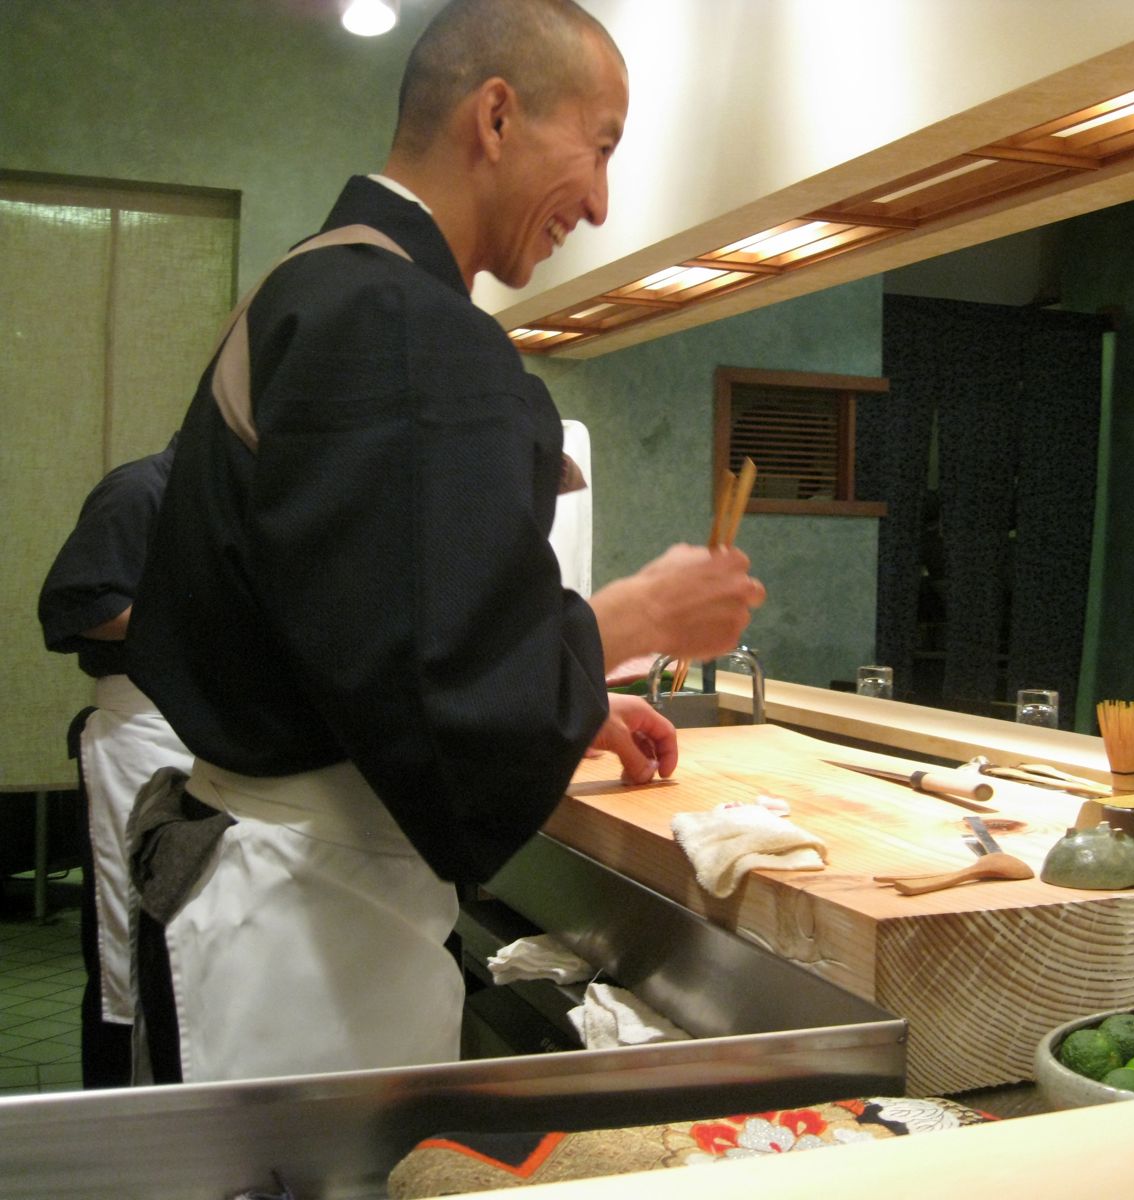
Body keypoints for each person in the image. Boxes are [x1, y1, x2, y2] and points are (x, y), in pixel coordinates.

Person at [125, 0, 764, 1084]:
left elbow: (354, 634)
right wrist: (639, 612)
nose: (604, 203)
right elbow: (435, 676)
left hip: (288, 886)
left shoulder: (327, 280)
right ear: (498, 117)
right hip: (303, 923)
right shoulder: (394, 318)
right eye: (600, 147)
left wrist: (572, 702)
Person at [37, 434, 195, 1088]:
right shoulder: (141, 490)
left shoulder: (243, 499)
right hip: (143, 729)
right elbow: (80, 603)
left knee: (187, 941)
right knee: (128, 948)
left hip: (213, 732)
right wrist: (197, 612)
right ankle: (118, 1108)